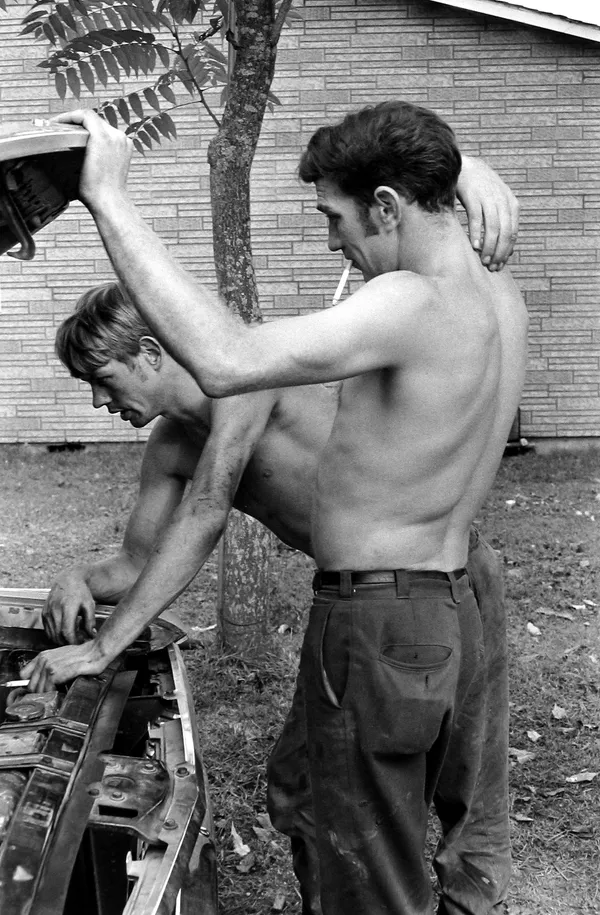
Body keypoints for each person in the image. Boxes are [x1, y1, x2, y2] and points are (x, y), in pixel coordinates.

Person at [24, 100, 529, 914]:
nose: (335, 241)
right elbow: (140, 553)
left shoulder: (393, 309)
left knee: (440, 814)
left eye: (337, 217)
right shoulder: (488, 295)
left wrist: (108, 197)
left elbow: (223, 390)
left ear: (390, 204)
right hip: (411, 597)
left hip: (405, 600)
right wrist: (83, 577)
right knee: (311, 789)